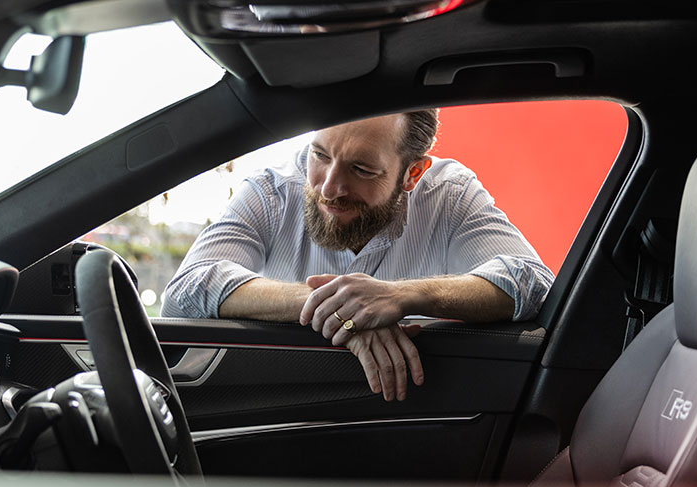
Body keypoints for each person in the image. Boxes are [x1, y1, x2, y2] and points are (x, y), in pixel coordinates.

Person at [161, 110, 554, 401]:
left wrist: (403, 296)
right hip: (280, 407)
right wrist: (342, 307)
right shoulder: (272, 191)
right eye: (319, 155)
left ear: (412, 174)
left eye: (362, 170)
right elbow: (187, 290)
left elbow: (533, 283)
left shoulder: (450, 194)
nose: (329, 188)